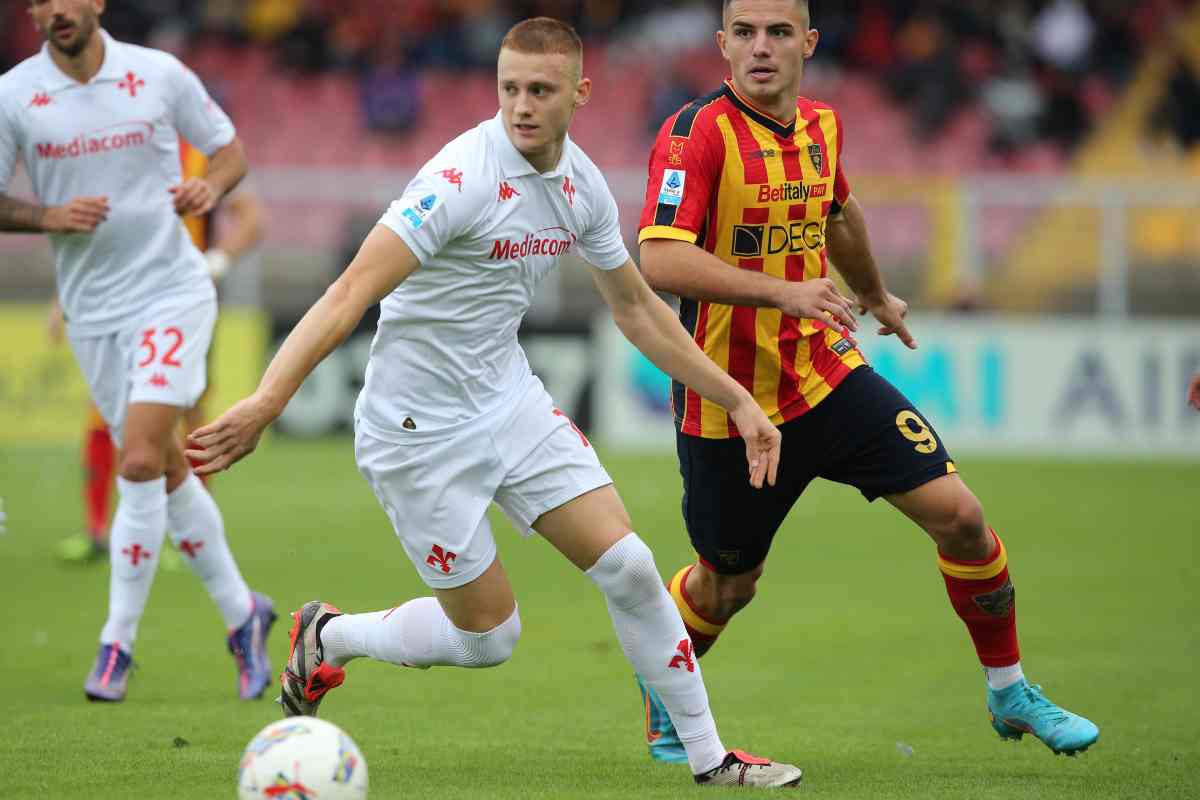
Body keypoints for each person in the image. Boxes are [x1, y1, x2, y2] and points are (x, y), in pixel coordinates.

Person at [189, 17, 804, 788]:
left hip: (509, 401)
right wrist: (265, 402)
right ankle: (331, 635)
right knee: (489, 638)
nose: (521, 105)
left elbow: (639, 310)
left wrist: (737, 400)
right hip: (417, 433)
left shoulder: (580, 187)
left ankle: (711, 760)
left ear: (579, 94)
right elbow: (349, 293)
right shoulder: (459, 180)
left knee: (632, 567)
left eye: (540, 90)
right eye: (509, 87)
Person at [632, 0, 1100, 764]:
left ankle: (1010, 688)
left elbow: (838, 212)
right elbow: (659, 258)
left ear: (808, 43)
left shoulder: (822, 125)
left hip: (827, 373)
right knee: (728, 586)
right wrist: (784, 291)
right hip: (733, 404)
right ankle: (667, 680)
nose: (760, 47)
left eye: (778, 32)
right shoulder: (697, 135)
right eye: (744, 33)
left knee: (962, 517)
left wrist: (874, 293)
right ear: (721, 44)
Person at [0, 0, 275, 702]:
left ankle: (116, 643)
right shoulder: (14, 95)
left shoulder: (158, 75)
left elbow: (231, 150)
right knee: (166, 468)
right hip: (94, 310)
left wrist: (210, 185)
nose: (58, 9)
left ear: (96, 2)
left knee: (142, 457)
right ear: (32, 11)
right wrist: (45, 216)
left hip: (172, 292)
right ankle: (244, 617)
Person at [51, 138, 265, 564]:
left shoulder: (203, 153)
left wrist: (219, 259)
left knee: (188, 409)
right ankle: (98, 532)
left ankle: (190, 538)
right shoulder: (121, 153)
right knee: (105, 404)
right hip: (124, 298)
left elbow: (252, 219)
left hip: (185, 301)